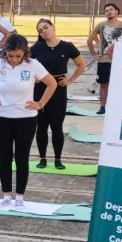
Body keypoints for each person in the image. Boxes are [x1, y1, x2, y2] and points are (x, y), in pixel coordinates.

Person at [0, 33, 57, 208]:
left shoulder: (33, 65)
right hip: (1, 118)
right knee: (5, 157)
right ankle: (6, 196)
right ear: (5, 52)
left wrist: (40, 103)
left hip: (26, 119)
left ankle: (20, 197)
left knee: (22, 158)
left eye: (18, 56)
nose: (14, 60)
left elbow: (52, 83)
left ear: (25, 53)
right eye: (11, 55)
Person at [31, 19, 86, 170]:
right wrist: (33, 78)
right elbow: (26, 64)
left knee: (57, 126)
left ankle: (58, 159)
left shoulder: (67, 46)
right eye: (40, 30)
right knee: (41, 126)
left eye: (46, 27)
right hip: (41, 89)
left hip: (59, 89)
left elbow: (81, 64)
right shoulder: (37, 47)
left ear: (53, 27)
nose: (44, 31)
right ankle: (42, 158)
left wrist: (70, 80)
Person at [87, 3, 122, 114]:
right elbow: (90, 40)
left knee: (118, 84)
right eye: (106, 10)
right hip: (104, 61)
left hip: (118, 61)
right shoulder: (101, 25)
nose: (109, 12)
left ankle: (117, 106)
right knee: (104, 84)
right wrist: (94, 54)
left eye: (111, 9)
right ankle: (102, 107)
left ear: (116, 11)